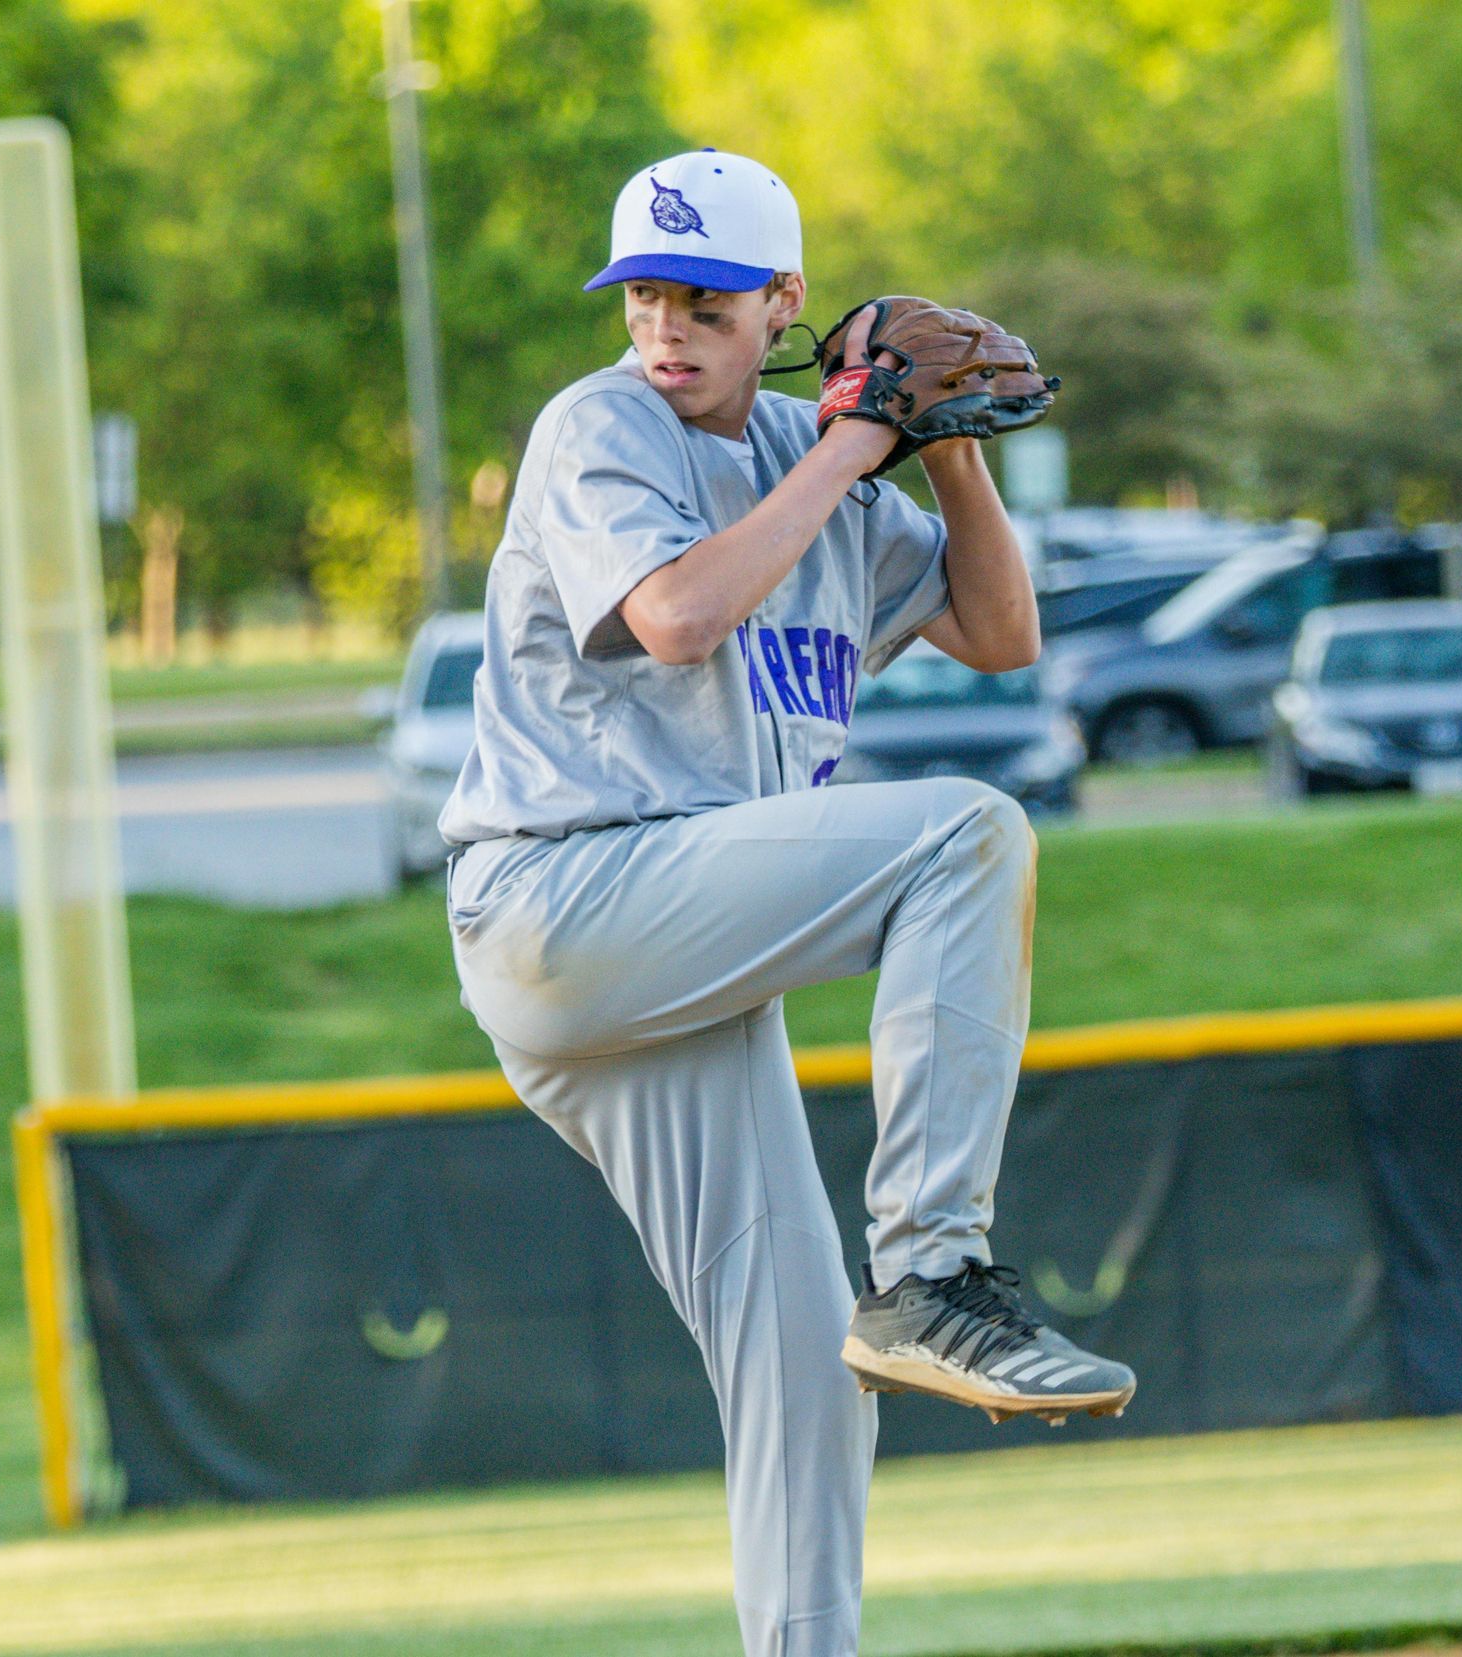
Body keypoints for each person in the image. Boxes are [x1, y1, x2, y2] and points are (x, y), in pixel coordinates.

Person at [439, 148, 1134, 1657]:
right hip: (560, 895)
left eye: (702, 297)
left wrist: (945, 447)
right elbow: (678, 613)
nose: (665, 328)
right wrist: (850, 446)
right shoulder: (597, 425)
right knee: (964, 833)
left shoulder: (811, 454)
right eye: (642, 296)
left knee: (805, 1373)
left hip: (676, 952)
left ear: (785, 303)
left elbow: (999, 632)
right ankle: (935, 1267)